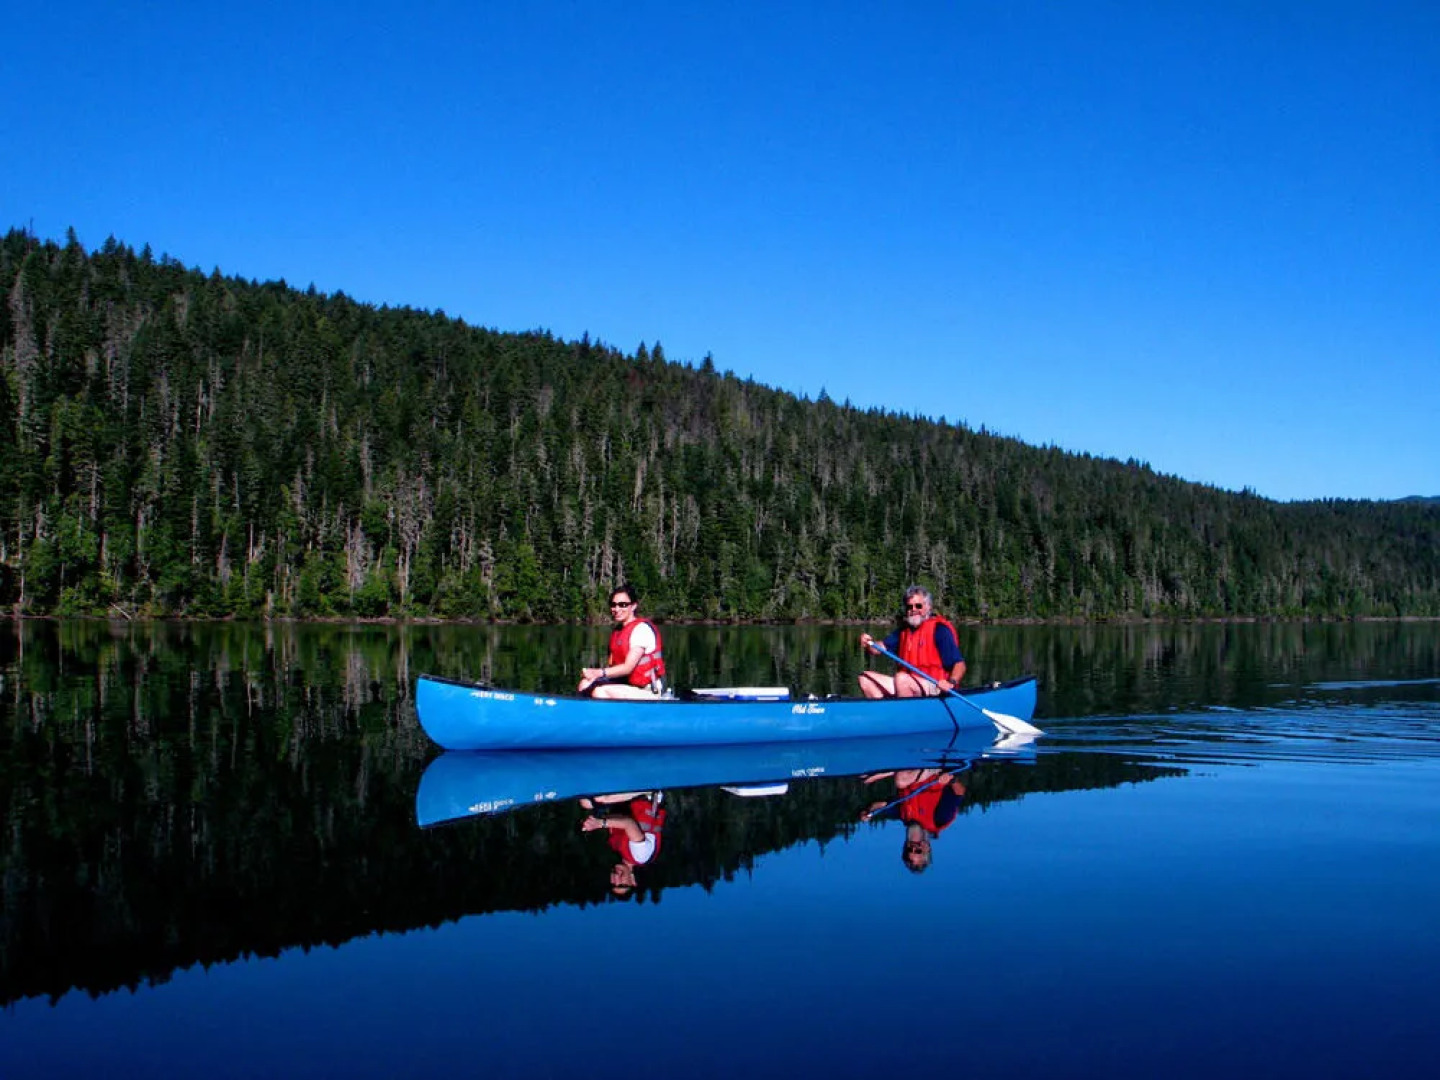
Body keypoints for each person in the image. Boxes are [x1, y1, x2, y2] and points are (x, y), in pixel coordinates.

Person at [857, 585, 966, 698]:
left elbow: (960, 664)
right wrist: (869, 643)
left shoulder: (940, 630)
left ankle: (906, 713)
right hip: (906, 683)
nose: (913, 610)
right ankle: (888, 712)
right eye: (909, 607)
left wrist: (951, 683)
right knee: (865, 678)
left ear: (928, 607)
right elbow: (879, 648)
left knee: (901, 679)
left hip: (935, 686)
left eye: (918, 606)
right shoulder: (903, 631)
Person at [859, 767, 968, 874]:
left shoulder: (905, 816)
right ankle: (890, 771)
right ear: (927, 848)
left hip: (910, 771)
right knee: (901, 781)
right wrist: (951, 780)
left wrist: (868, 813)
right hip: (935, 770)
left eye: (908, 850)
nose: (912, 847)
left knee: (864, 777)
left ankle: (889, 770)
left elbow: (881, 806)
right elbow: (959, 793)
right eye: (918, 851)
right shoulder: (939, 819)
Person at [578, 584, 666, 699]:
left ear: (633, 606)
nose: (617, 609)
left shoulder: (641, 629)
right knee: (585, 683)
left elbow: (627, 668)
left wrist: (598, 672)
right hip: (627, 684)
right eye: (613, 605)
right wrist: (593, 675)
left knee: (601, 692)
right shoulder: (618, 631)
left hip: (648, 690)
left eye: (623, 605)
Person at [580, 791, 667, 897]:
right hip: (648, 796)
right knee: (600, 798)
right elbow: (629, 823)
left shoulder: (617, 848)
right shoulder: (640, 856)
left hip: (630, 799)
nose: (616, 879)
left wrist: (595, 819)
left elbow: (616, 816)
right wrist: (600, 823)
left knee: (586, 803)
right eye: (622, 884)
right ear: (633, 881)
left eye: (613, 884)